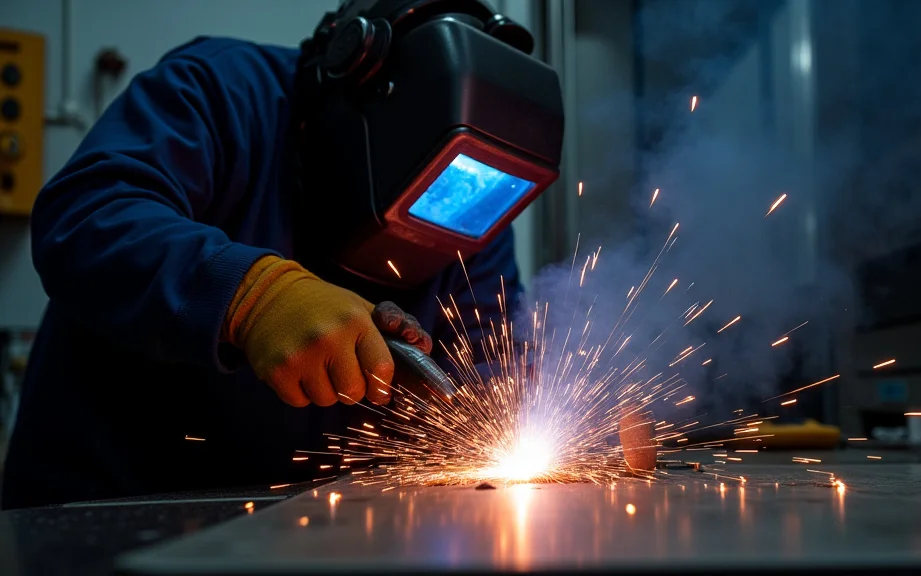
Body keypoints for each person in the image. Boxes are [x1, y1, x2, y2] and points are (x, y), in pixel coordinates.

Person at [0, 8, 531, 509]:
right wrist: (252, 295)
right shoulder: (225, 91)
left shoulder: (477, 205)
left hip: (302, 529)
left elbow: (492, 368)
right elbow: (86, 216)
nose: (450, 206)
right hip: (103, 511)